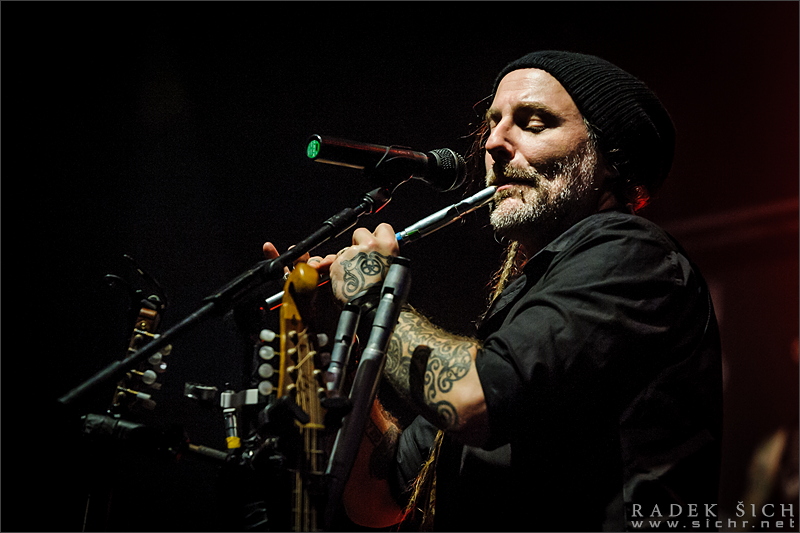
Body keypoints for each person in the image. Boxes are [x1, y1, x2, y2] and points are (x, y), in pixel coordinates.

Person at [267, 50, 723, 531]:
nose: (493, 143)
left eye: (533, 123)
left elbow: (469, 400)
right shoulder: (529, 300)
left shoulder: (632, 255)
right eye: (493, 122)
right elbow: (375, 497)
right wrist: (329, 332)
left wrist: (373, 294)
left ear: (608, 158)